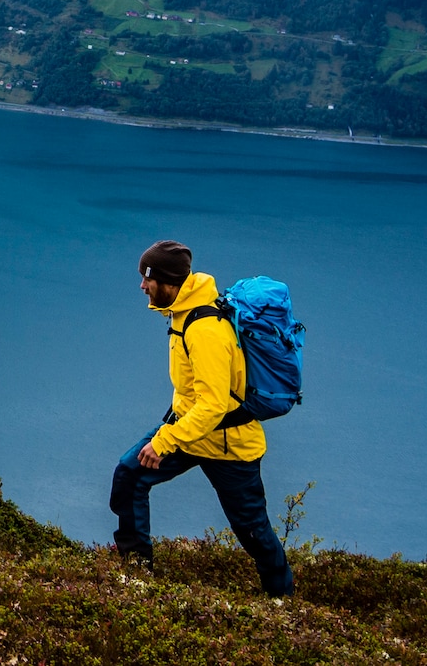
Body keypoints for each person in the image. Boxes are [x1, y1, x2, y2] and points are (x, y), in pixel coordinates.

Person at [110, 240, 295, 597]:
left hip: (230, 446)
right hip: (191, 433)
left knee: (253, 531)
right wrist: (169, 431)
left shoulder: (205, 329)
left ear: (169, 282)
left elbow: (213, 406)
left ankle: (283, 601)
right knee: (130, 475)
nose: (142, 286)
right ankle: (137, 577)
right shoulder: (182, 312)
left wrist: (163, 441)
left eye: (148, 279)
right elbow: (191, 391)